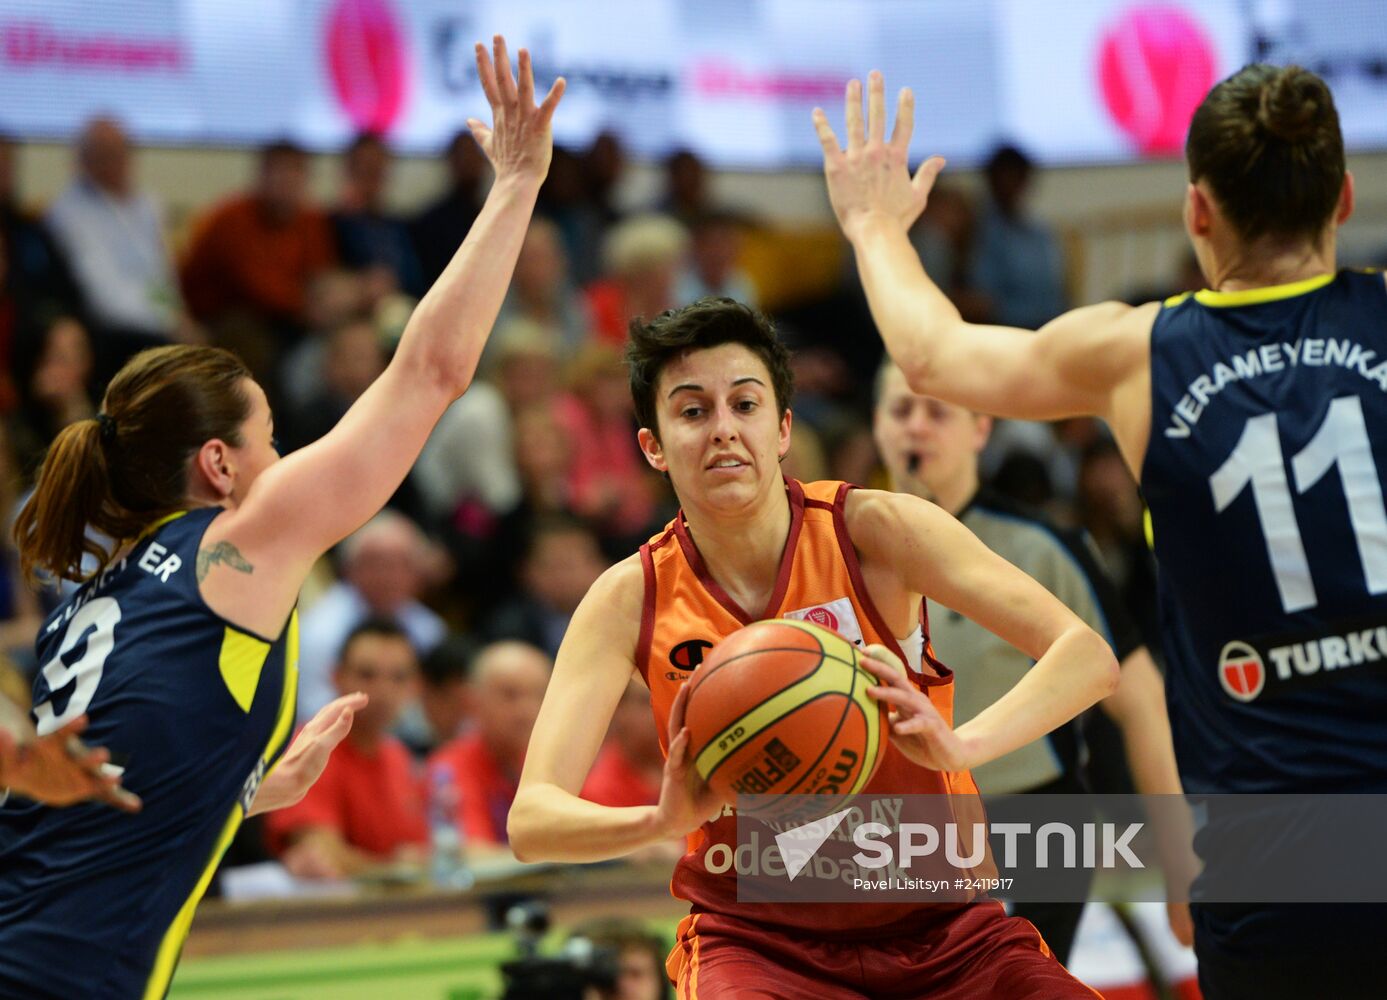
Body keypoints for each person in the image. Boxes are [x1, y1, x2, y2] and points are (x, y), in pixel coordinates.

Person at [0, 38, 563, 1000]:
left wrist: (249, 786)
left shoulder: (93, 600)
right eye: (269, 438)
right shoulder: (234, 542)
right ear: (218, 466)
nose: (286, 461)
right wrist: (514, 184)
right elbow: (428, 372)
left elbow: (106, 804)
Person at [814, 63, 1386, 998]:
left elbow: (932, 354)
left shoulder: (1138, 353)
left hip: (1270, 854)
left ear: (1195, 211)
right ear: (1345, 196)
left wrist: (874, 227)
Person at [508, 297, 1119, 999]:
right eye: (692, 411)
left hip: (947, 928)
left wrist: (963, 745)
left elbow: (1086, 656)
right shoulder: (630, 597)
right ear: (652, 445)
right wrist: (660, 820)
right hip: (761, 943)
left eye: (744, 404)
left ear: (782, 429)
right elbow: (532, 821)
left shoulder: (875, 531)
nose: (723, 431)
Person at [872, 360, 1195, 962]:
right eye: (899, 410)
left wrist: (1180, 864)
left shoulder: (1043, 549)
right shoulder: (839, 549)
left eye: (936, 410)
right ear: (876, 427)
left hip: (1032, 824)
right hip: (894, 830)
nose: (916, 426)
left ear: (980, 428)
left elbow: (1144, 703)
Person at [266, 620, 427, 879]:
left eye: (398, 677)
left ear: (415, 686)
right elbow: (321, 854)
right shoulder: (311, 747)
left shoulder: (398, 756)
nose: (383, 690)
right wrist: (397, 869)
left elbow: (423, 853)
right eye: (367, 674)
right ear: (336, 676)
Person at [429, 640, 550, 848]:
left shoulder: (548, 763)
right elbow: (473, 854)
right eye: (510, 695)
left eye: (539, 695)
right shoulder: (450, 768)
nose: (527, 710)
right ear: (473, 701)